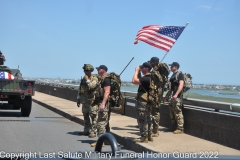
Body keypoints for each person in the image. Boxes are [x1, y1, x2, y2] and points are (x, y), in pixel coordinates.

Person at [132, 62, 153, 143]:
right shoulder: (151, 77)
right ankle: (149, 135)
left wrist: (137, 71)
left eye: (142, 67)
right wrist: (139, 72)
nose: (141, 68)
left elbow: (134, 81)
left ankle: (144, 137)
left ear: (146, 68)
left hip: (143, 101)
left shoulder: (146, 78)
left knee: (142, 119)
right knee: (148, 118)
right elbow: (139, 81)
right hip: (149, 101)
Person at [91, 65, 111, 147]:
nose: (97, 70)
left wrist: (103, 104)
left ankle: (101, 141)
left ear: (103, 70)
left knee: (101, 122)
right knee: (105, 123)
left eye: (99, 69)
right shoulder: (102, 79)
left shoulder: (106, 79)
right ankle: (107, 140)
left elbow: (107, 92)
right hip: (102, 102)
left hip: (104, 103)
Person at [77, 64, 99, 138]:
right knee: (85, 115)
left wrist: (87, 80)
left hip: (92, 101)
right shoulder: (83, 79)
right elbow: (80, 89)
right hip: (85, 101)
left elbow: (92, 86)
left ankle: (93, 131)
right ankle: (86, 130)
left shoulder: (94, 78)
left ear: (91, 71)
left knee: (93, 116)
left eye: (87, 70)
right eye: (84, 70)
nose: (85, 72)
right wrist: (78, 98)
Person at [164, 62, 184, 134]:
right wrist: (167, 95)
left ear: (176, 67)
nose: (170, 68)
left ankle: (180, 128)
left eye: (172, 66)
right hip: (171, 97)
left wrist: (176, 94)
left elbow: (181, 85)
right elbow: (170, 88)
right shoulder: (172, 75)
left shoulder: (180, 75)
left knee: (178, 113)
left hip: (177, 97)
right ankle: (173, 127)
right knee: (172, 113)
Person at [148, 57, 161, 137]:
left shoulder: (156, 72)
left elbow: (155, 84)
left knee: (155, 112)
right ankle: (154, 129)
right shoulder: (156, 71)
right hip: (155, 94)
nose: (150, 63)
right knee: (153, 112)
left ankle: (155, 131)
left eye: (151, 62)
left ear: (155, 62)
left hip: (155, 95)